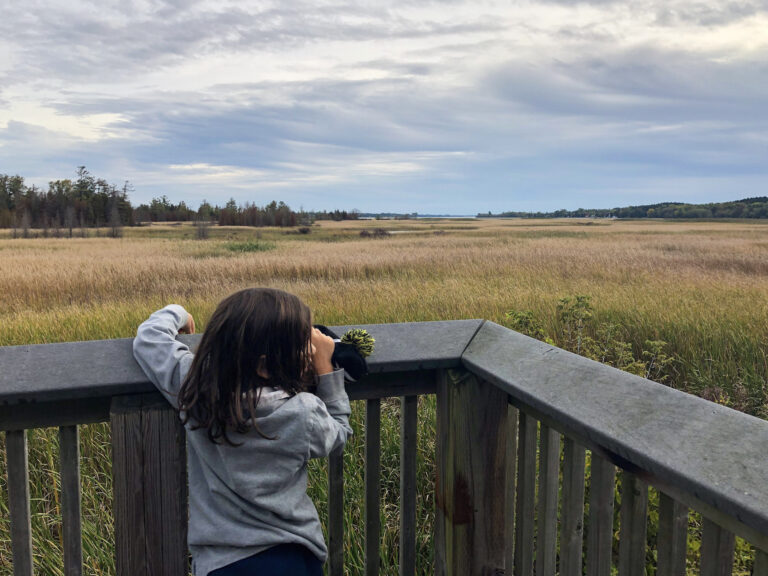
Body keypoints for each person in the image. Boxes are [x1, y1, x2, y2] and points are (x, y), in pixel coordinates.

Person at [133, 287, 352, 576]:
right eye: (301, 345)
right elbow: (339, 433)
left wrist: (180, 313)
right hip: (293, 557)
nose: (309, 350)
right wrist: (325, 370)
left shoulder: (195, 389)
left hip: (223, 563)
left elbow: (148, 339)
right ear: (264, 366)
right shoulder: (303, 412)